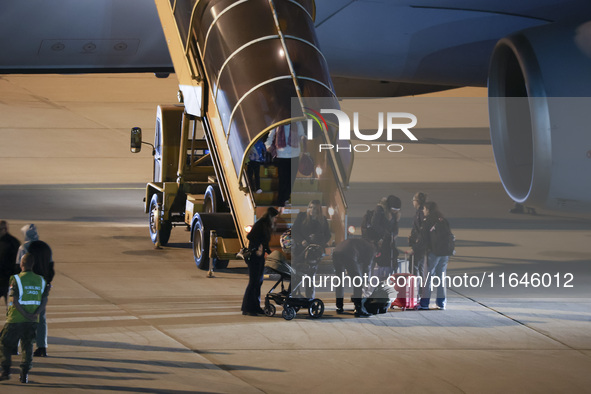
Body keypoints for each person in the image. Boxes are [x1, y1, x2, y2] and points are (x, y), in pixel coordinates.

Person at [0, 254, 50, 383]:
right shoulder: (41, 280)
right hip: (32, 321)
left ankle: (5, 371)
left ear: (22, 264)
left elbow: (14, 300)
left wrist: (25, 314)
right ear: (32, 265)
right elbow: (44, 301)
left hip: (15, 320)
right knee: (27, 347)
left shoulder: (16, 279)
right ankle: (24, 374)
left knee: (4, 343)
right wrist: (35, 314)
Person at [241, 207, 279, 316]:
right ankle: (248, 308)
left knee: (258, 282)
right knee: (254, 282)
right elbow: (250, 236)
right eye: (275, 218)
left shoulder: (266, 226)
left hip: (260, 257)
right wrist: (258, 247)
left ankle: (255, 306)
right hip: (254, 257)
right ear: (270, 217)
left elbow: (264, 242)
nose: (276, 220)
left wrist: (270, 253)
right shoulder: (261, 224)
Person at [291, 200, 331, 298]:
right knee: (296, 275)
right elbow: (294, 231)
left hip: (314, 252)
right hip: (300, 250)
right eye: (311, 207)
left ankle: (310, 299)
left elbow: (327, 235)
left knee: (310, 276)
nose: (312, 210)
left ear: (319, 210)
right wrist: (302, 241)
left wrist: (318, 239)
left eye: (315, 208)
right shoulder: (301, 216)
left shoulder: (322, 220)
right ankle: (293, 296)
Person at [418, 201, 452, 310]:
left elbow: (424, 239)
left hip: (433, 253)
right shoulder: (442, 219)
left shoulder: (427, 220)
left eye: (424, 209)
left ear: (428, 209)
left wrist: (417, 248)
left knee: (428, 278)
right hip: (445, 253)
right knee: (441, 277)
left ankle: (424, 303)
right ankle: (441, 303)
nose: (423, 211)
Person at [265, 122, 306, 206]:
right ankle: (280, 201)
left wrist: (303, 138)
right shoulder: (277, 122)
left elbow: (302, 134)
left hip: (294, 155)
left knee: (291, 179)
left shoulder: (297, 123)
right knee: (283, 179)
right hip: (281, 155)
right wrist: (268, 146)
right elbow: (270, 137)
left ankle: (286, 198)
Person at [332, 238, 375, 317]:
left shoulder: (362, 243)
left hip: (336, 252)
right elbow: (367, 267)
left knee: (339, 281)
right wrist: (365, 282)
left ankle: (339, 306)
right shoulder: (371, 249)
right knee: (358, 282)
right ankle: (358, 309)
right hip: (348, 253)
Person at [28, 241, 54, 358]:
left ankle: (15, 345)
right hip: (42, 284)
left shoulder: (25, 247)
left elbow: (18, 266)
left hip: (27, 284)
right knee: (41, 318)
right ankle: (42, 346)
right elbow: (51, 268)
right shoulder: (46, 247)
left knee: (20, 316)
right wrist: (48, 282)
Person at [371, 195, 401, 279]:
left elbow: (396, 226)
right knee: (378, 260)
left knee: (389, 259)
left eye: (397, 210)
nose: (395, 212)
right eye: (394, 210)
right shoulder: (380, 210)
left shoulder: (394, 214)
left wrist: (394, 234)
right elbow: (375, 224)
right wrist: (385, 233)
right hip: (380, 240)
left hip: (389, 241)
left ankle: (387, 277)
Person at [0, 221, 21, 307]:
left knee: (11, 307)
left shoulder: (14, 243)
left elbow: (18, 263)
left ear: (5, 229)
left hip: (9, 281)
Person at [408, 192, 427, 277]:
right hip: (420, 244)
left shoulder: (421, 213)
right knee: (419, 267)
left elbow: (422, 230)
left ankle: (417, 287)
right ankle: (420, 288)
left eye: (413, 200)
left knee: (414, 267)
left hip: (419, 245)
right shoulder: (421, 212)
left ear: (417, 201)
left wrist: (415, 246)